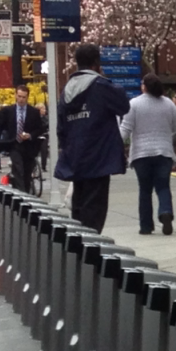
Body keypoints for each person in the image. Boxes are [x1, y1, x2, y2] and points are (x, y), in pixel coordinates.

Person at [54, 43, 130, 234]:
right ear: (97, 62)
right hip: (98, 160)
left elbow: (61, 129)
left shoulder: (66, 92)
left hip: (76, 160)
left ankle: (79, 251)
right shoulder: (101, 86)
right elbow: (124, 105)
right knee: (95, 212)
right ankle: (90, 254)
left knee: (78, 209)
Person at [121, 73, 176, 235]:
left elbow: (125, 130)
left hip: (141, 154)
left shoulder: (134, 104)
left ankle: (146, 226)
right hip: (163, 152)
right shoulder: (168, 104)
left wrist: (113, 144)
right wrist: (164, 131)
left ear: (145, 87)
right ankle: (165, 212)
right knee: (163, 186)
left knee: (145, 190)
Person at [0, 84, 43, 193]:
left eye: (24, 97)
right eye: (19, 96)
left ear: (27, 97)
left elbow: (39, 129)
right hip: (14, 144)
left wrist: (30, 135)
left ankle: (25, 193)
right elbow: (0, 125)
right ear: (15, 96)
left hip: (29, 147)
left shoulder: (34, 112)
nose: (21, 99)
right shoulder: (8, 111)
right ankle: (21, 196)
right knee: (18, 169)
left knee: (27, 173)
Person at [35, 103, 49, 171]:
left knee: (44, 151)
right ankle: (34, 166)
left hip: (44, 136)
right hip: (36, 136)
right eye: (43, 109)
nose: (44, 110)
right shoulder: (35, 118)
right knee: (34, 152)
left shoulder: (45, 118)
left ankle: (44, 166)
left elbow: (46, 125)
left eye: (44, 109)